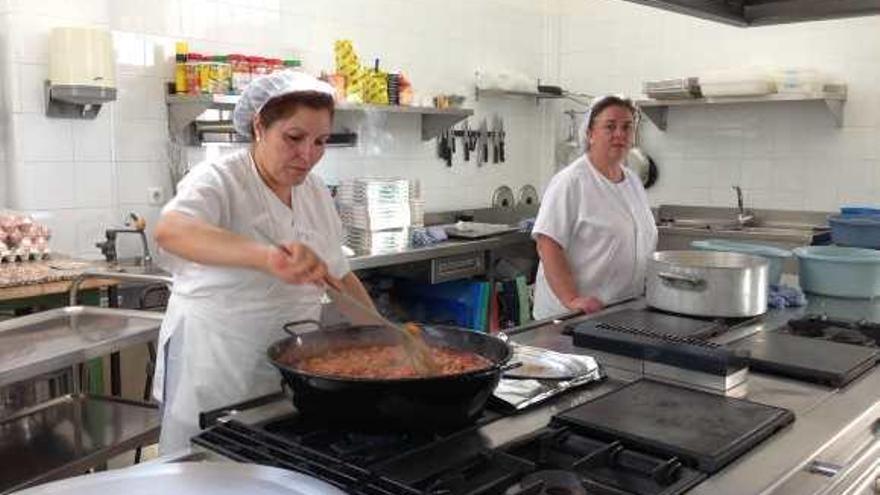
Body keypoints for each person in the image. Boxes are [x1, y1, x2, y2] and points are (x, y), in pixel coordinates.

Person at [151, 71, 374, 453]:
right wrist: (266, 257)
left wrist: (384, 333)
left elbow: (337, 274)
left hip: (290, 365)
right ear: (260, 126)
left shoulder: (315, 191)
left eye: (320, 141)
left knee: (274, 469)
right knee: (209, 473)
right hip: (216, 363)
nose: (308, 155)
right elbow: (172, 230)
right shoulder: (219, 178)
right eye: (294, 138)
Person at [531, 95, 657, 320]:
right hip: (573, 314)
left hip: (620, 309)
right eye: (610, 126)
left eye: (627, 127)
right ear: (590, 134)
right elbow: (548, 243)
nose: (620, 134)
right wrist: (571, 299)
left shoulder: (633, 182)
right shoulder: (571, 181)